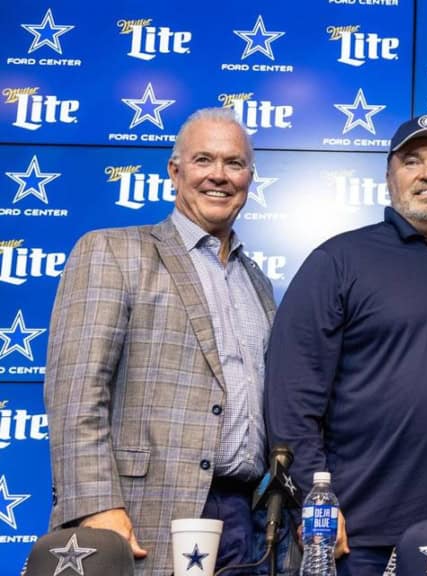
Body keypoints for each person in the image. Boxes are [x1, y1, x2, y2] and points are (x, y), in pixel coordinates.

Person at [264, 114, 427, 576]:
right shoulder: (337, 261)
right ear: (388, 177)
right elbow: (291, 396)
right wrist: (319, 504)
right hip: (358, 534)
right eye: (411, 160)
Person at [44, 107, 278, 573]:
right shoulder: (113, 251)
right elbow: (75, 392)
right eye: (203, 160)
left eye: (234, 163)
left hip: (241, 519)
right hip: (140, 513)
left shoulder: (259, 283)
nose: (219, 176)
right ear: (175, 171)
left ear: (251, 177)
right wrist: (97, 505)